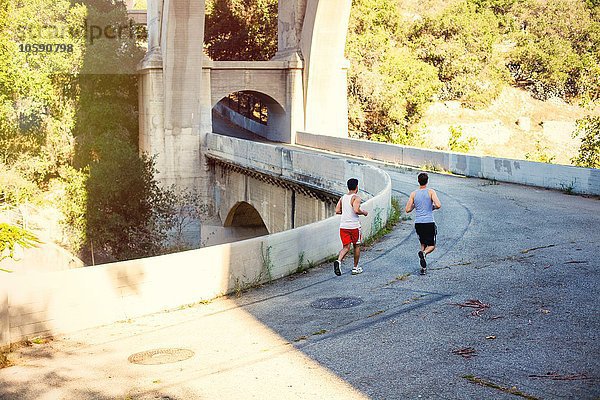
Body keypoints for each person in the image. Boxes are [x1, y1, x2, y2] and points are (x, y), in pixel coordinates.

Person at [405, 172, 442, 275]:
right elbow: (438, 205)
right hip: (429, 222)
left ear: (418, 181)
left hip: (419, 223)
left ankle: (423, 268)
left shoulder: (413, 194)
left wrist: (415, 206)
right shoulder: (431, 192)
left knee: (423, 243)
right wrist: (432, 207)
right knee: (431, 246)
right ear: (427, 181)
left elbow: (407, 209)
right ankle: (424, 253)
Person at [333, 178, 368, 276]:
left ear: (348, 187)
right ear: (357, 187)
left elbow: (337, 211)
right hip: (354, 226)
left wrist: (346, 212)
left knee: (346, 247)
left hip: (343, 226)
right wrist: (364, 212)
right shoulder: (356, 198)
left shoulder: (343, 198)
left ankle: (339, 261)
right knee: (356, 246)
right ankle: (355, 268)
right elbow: (356, 210)